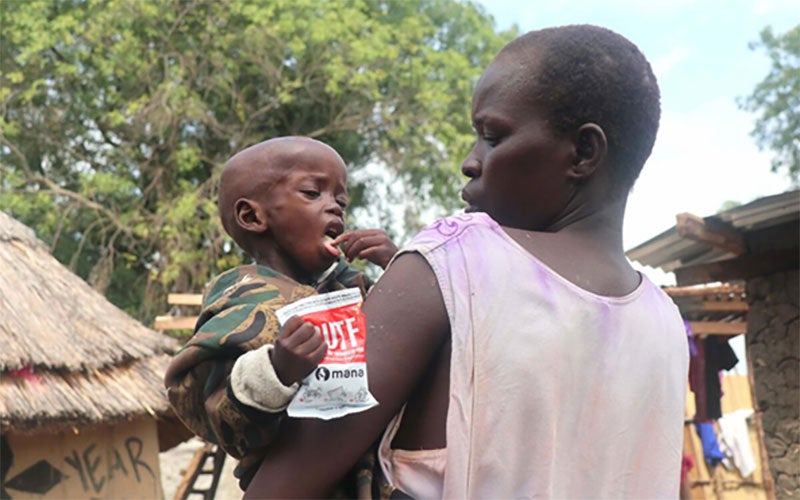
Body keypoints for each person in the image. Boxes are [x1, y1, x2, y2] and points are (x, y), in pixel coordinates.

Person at [246, 24, 689, 499]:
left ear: (582, 152)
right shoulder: (664, 321)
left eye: (493, 137)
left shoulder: (454, 261)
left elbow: (280, 486)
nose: (470, 161)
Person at [163, 136, 397, 494]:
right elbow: (219, 419)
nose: (335, 207)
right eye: (312, 192)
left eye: (341, 199)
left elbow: (404, 341)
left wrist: (398, 268)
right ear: (253, 216)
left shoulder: (350, 289)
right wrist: (277, 371)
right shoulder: (242, 302)